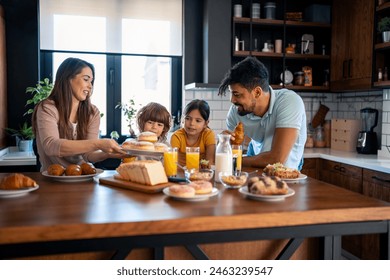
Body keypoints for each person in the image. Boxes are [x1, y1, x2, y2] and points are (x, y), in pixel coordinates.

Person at [32, 57, 127, 171]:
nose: (90, 86)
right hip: (53, 179)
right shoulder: (47, 108)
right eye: (86, 79)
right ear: (68, 78)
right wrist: (98, 143)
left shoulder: (92, 113)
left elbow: (88, 155)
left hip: (84, 176)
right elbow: (51, 146)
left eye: (91, 81)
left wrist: (108, 154)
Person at [218, 56, 306, 170]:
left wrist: (233, 159)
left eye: (237, 94)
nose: (232, 100)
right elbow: (234, 153)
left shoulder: (289, 101)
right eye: (231, 93)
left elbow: (277, 159)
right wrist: (226, 145)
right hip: (257, 167)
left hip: (285, 172)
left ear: (257, 92)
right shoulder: (237, 111)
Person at [170, 99, 216, 167]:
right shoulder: (177, 136)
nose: (192, 123)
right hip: (180, 174)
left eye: (198, 121)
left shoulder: (208, 135)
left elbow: (210, 162)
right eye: (188, 118)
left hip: (201, 174)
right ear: (183, 119)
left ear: (206, 123)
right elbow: (172, 161)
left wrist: (201, 165)